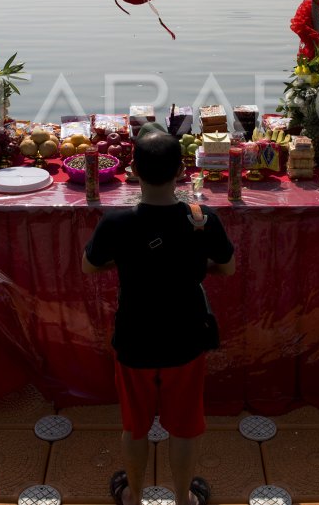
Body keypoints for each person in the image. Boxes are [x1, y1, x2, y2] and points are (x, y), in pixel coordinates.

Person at [83, 123, 235, 505]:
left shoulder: (117, 222)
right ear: (182, 171)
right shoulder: (200, 218)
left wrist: (126, 261)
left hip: (135, 338)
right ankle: (183, 500)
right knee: (184, 428)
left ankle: (134, 497)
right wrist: (198, 269)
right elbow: (227, 267)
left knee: (135, 427)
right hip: (185, 338)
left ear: (133, 170)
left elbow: (90, 266)